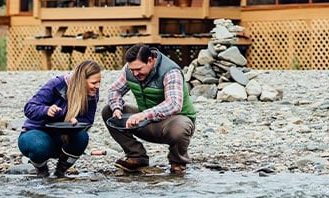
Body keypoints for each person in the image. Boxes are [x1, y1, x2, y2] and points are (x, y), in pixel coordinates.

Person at [102, 44, 196, 175]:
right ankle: (136, 156)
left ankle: (177, 163)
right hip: (146, 122)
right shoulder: (132, 68)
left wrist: (143, 115)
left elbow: (174, 104)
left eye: (138, 69)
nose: (134, 73)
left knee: (180, 127)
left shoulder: (171, 72)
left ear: (151, 60)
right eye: (132, 69)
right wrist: (116, 108)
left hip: (172, 123)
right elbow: (114, 90)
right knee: (108, 111)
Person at [18, 60, 102, 177]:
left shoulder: (92, 92)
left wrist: (76, 121)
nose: (97, 86)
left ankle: (61, 171)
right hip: (36, 132)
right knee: (39, 146)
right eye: (94, 83)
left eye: (99, 82)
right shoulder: (57, 84)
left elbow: (88, 120)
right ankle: (41, 169)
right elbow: (29, 108)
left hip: (62, 139)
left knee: (82, 137)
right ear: (81, 81)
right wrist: (47, 110)